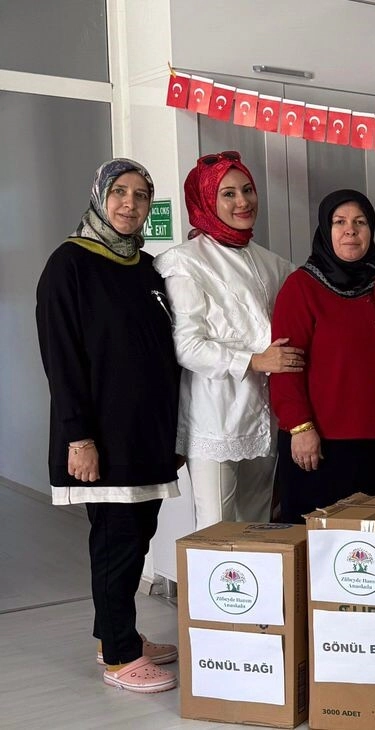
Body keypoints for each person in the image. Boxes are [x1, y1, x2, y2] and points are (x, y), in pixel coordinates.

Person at [35, 158, 180, 693]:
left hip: (147, 434)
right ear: (100, 196)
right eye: (119, 192)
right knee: (116, 541)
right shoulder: (69, 263)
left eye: (141, 195)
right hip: (102, 437)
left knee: (138, 536)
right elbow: (61, 357)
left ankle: (115, 635)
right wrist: (80, 438)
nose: (129, 204)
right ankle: (120, 657)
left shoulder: (146, 268)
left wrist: (173, 433)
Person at [154, 151, 298, 527]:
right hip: (214, 417)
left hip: (264, 415)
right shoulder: (185, 261)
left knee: (258, 528)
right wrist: (254, 360)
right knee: (215, 532)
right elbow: (187, 345)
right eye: (228, 194)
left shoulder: (274, 264)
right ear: (205, 200)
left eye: (248, 190)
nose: (243, 202)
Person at [269, 190, 375, 519]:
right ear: (325, 229)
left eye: (360, 222)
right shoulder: (300, 287)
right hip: (322, 445)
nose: (351, 230)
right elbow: (285, 366)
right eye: (339, 222)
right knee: (322, 542)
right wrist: (300, 428)